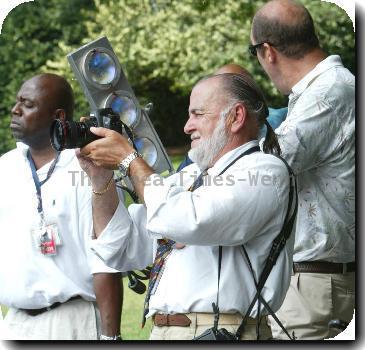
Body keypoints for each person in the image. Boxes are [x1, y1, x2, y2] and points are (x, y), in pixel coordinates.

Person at [77, 72, 296, 340]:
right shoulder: (189, 178)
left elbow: (189, 220)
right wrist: (101, 177)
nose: (187, 126)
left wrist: (129, 159)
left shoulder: (266, 171)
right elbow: (118, 248)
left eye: (198, 114)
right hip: (164, 332)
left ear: (236, 117)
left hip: (223, 333)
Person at [250, 0, 355, 339]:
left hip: (316, 285)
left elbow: (265, 170)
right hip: (317, 283)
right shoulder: (329, 88)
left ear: (268, 51)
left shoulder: (327, 94)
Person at [0, 73, 122, 340]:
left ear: (59, 116)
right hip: (14, 323)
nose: (15, 110)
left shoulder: (89, 168)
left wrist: (111, 338)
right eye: (17, 102)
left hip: (71, 322)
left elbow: (106, 259)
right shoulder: (6, 167)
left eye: (27, 104)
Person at [177, 63, 287, 172]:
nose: (187, 128)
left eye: (199, 114)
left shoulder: (282, 124)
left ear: (237, 115)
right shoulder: (203, 149)